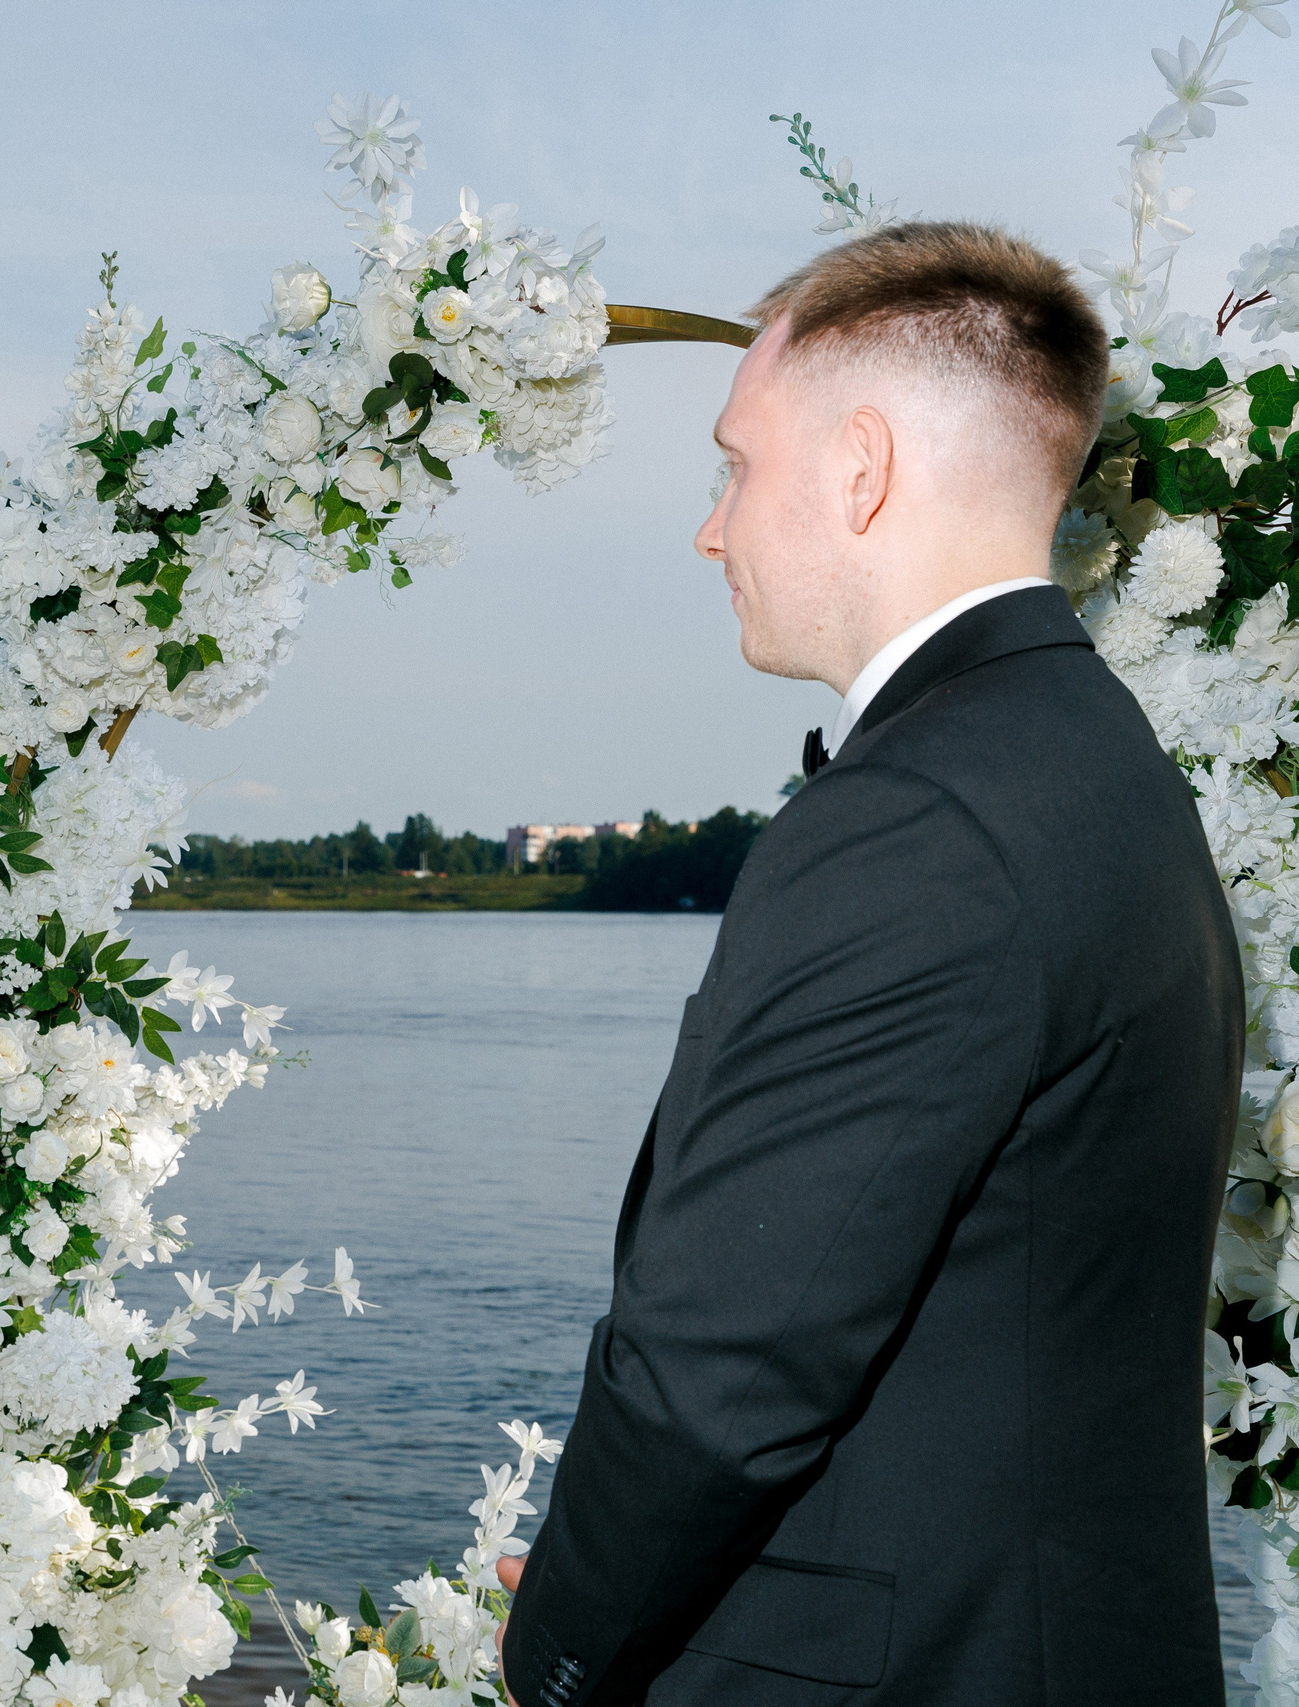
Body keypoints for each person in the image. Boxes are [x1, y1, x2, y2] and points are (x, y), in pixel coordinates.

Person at [498, 224, 1243, 1704]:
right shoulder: (1100, 763)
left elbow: (721, 1375)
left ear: (860, 469)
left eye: (736, 465)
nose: (713, 527)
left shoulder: (918, 821)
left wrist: (563, 1642)